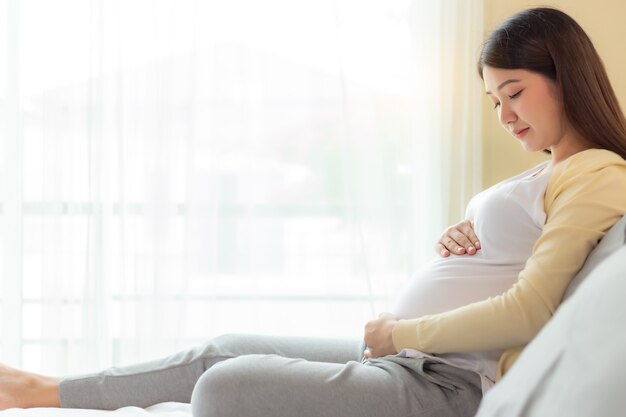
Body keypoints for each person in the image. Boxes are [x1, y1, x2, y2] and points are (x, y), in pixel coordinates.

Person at [2, 7, 626, 417]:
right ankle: (42, 392)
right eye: (493, 101)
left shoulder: (598, 172)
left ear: (565, 75)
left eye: (513, 92)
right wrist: (474, 231)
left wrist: (398, 332)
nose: (504, 114)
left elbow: (532, 309)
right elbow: (519, 252)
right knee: (223, 349)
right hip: (417, 360)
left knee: (226, 387)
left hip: (447, 384)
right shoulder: (552, 169)